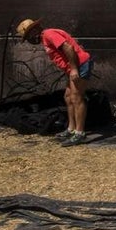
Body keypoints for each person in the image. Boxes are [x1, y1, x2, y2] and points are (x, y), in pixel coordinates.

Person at [16, 18, 94, 147]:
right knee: (68, 97)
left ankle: (80, 133)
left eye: (29, 35)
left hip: (80, 65)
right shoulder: (45, 38)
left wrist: (74, 69)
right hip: (73, 67)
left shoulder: (49, 34)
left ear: (35, 30)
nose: (30, 39)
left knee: (76, 97)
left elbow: (68, 47)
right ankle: (71, 129)